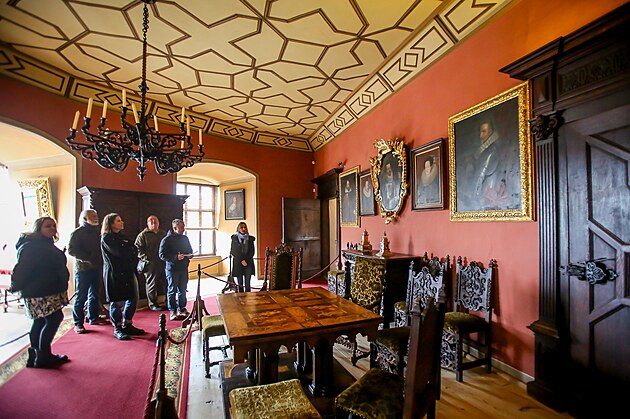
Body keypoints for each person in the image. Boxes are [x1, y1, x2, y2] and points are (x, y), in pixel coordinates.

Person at [10, 217, 69, 367]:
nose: (52, 228)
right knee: (53, 318)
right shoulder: (31, 246)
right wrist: (15, 286)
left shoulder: (44, 244)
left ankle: (35, 356)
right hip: (39, 291)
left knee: (40, 321)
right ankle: (43, 356)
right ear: (38, 229)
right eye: (48, 226)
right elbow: (22, 269)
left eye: (53, 226)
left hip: (47, 289)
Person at [101, 213, 144, 340]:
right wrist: (128, 250)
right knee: (116, 301)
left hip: (128, 271)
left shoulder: (123, 237)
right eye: (118, 221)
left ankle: (128, 324)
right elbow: (120, 253)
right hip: (115, 274)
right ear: (111, 224)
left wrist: (128, 250)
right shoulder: (107, 238)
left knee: (133, 298)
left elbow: (134, 250)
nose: (122, 222)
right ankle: (118, 328)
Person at [462, 119, 519, 211]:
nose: (481, 136)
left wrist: (474, 195)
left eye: (484, 131)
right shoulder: (485, 150)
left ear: (492, 132)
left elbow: (481, 174)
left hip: (489, 190)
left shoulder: (492, 151)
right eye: (481, 132)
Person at [68, 209, 107, 334]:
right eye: (93, 216)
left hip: (97, 267)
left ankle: (93, 317)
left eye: (96, 215)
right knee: (81, 296)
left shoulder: (97, 232)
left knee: (95, 294)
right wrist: (87, 258)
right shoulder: (77, 233)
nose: (96, 218)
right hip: (83, 269)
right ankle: (78, 323)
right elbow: (71, 250)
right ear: (85, 219)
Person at [159, 219, 193, 320]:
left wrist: (189, 255)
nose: (183, 229)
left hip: (183, 268)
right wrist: (175, 257)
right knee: (172, 290)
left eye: (183, 226)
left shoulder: (185, 238)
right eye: (181, 227)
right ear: (174, 228)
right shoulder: (166, 240)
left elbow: (189, 250)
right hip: (172, 269)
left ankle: (182, 309)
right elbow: (162, 255)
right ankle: (172, 311)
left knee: (182, 290)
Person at [135, 215, 167, 311]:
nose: (153, 223)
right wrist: (146, 258)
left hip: (163, 262)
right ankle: (153, 304)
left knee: (167, 283)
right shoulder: (143, 235)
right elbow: (137, 248)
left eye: (155, 221)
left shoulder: (163, 233)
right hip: (150, 264)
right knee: (152, 285)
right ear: (147, 224)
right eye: (151, 221)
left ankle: (169, 301)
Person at [230, 222, 255, 292]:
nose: (243, 229)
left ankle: (248, 296)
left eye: (245, 227)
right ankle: (240, 296)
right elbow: (233, 251)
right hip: (238, 263)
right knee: (240, 283)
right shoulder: (235, 239)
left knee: (247, 283)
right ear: (238, 229)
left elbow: (252, 251)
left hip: (248, 263)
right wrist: (241, 260)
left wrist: (246, 261)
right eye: (241, 227)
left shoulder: (250, 239)